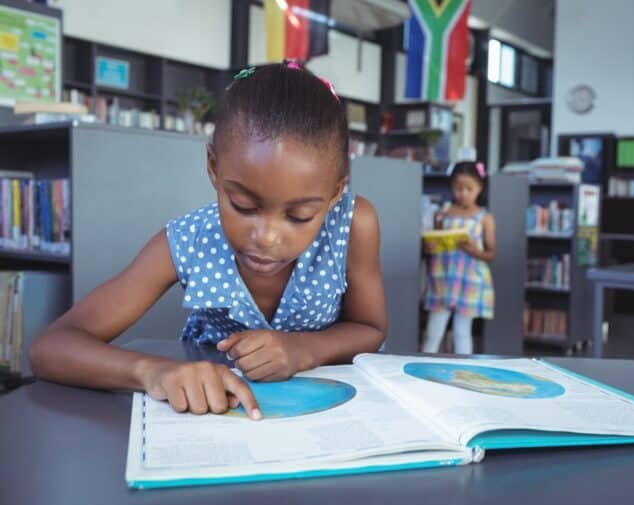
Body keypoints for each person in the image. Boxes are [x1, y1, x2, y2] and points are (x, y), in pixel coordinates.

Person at [30, 61, 387, 420]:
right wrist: (152, 371)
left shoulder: (355, 224)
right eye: (243, 206)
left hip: (331, 417)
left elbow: (370, 328)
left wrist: (304, 350)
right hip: (219, 417)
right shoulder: (190, 240)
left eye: (300, 216)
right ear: (214, 168)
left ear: (335, 193)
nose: (266, 237)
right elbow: (52, 346)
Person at [422, 161, 495, 354]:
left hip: (469, 281)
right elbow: (434, 243)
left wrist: (473, 250)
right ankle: (421, 366)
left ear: (480, 187)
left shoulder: (484, 217)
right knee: (433, 331)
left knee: (462, 332)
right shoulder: (443, 213)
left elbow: (491, 253)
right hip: (442, 279)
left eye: (469, 189)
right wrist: (430, 243)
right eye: (457, 188)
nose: (463, 193)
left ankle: (465, 372)